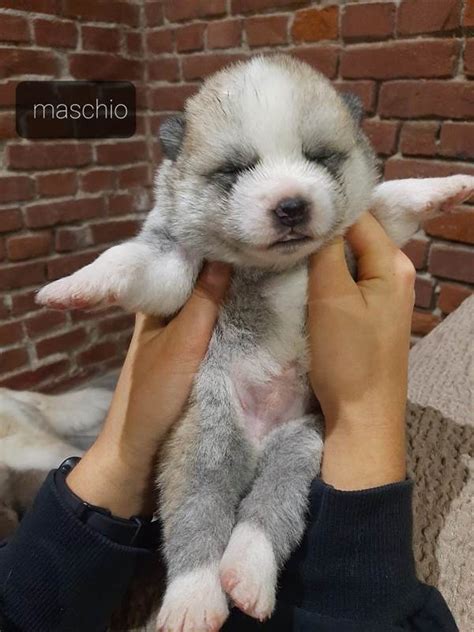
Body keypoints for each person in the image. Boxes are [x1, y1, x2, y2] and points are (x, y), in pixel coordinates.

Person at [0, 213, 457, 632]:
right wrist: (364, 421)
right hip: (225, 384)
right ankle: (195, 571)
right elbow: (156, 254)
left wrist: (120, 456)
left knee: (293, 461)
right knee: (205, 464)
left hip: (296, 401)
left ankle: (256, 544)